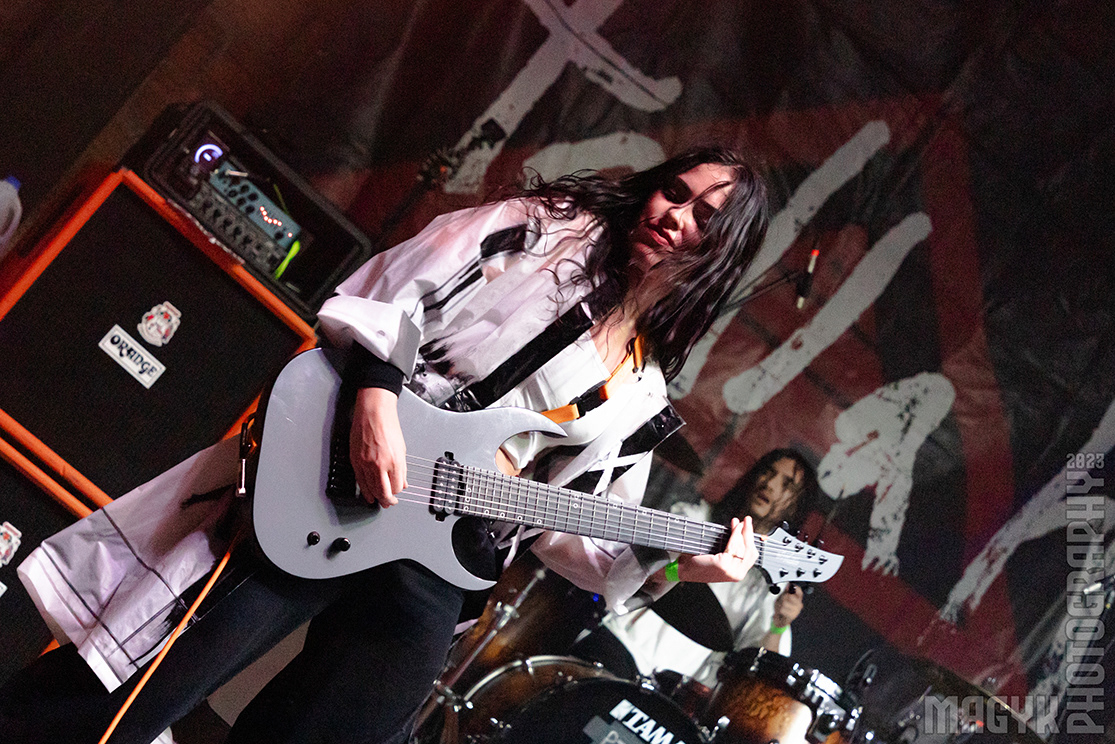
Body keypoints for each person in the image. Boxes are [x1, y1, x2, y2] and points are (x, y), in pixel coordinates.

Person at [1, 147, 771, 744]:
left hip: (441, 552)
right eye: (675, 192)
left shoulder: (642, 390)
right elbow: (393, 289)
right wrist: (374, 400)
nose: (675, 215)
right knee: (147, 681)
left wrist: (678, 563)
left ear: (723, 252)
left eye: (704, 217)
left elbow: (568, 536)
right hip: (341, 475)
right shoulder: (543, 231)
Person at [572, 448, 820, 686]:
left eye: (787, 485)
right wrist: (679, 571)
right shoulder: (694, 519)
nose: (770, 484)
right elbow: (636, 572)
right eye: (768, 472)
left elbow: (756, 673)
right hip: (619, 644)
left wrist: (779, 625)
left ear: (796, 507)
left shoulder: (770, 587)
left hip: (671, 689)